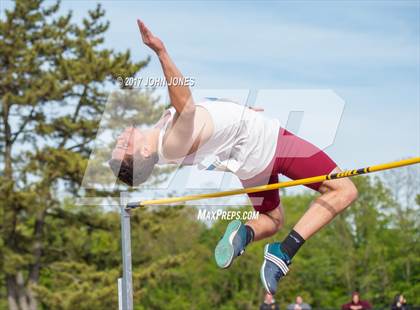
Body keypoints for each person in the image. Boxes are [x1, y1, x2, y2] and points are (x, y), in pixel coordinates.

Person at [109, 20, 358, 295]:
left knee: (272, 219)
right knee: (344, 189)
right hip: (268, 142)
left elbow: (205, 114)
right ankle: (283, 254)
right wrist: (161, 52)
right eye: (123, 147)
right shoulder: (170, 145)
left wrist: (239, 109)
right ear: (143, 152)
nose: (120, 140)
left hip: (247, 160)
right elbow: (189, 108)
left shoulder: (161, 135)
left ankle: (244, 235)